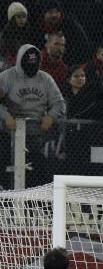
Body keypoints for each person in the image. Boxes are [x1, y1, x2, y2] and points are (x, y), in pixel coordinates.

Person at [0, 44, 66, 187]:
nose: (31, 66)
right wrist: (5, 115)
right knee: (6, 174)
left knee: (40, 175)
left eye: (34, 63)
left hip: (36, 137)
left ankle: (37, 205)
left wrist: (51, 116)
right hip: (8, 135)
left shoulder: (45, 78)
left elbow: (60, 103)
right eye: (28, 63)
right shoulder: (6, 77)